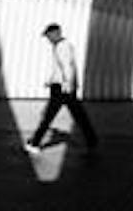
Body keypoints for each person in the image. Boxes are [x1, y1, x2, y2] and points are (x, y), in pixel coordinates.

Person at [25, 22, 99, 154]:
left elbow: (67, 66)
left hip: (61, 88)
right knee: (79, 115)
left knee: (48, 117)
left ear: (55, 33)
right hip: (63, 87)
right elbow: (60, 68)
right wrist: (51, 81)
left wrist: (67, 84)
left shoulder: (61, 47)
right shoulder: (61, 46)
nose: (48, 39)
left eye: (49, 35)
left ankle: (35, 143)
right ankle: (92, 140)